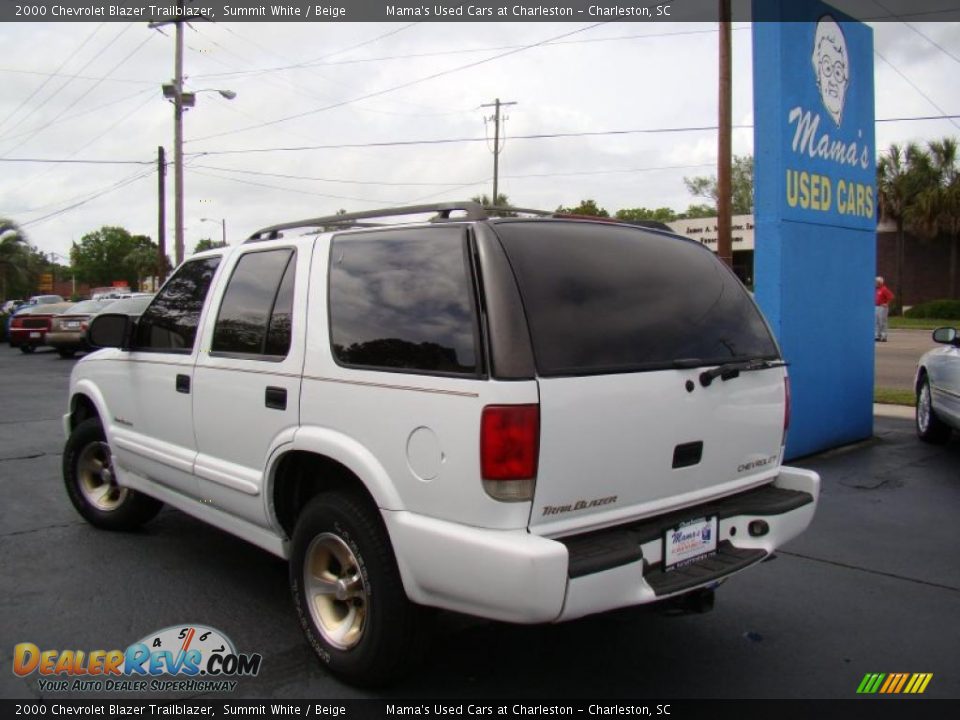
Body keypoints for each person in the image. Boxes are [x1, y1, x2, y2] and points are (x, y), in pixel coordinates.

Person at [875, 276, 894, 342]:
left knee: (882, 321)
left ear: (880, 282)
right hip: (876, 307)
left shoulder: (884, 289)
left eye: (876, 282)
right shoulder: (876, 289)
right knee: (876, 321)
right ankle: (877, 335)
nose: (875, 283)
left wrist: (887, 303)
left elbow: (891, 297)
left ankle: (884, 336)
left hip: (882, 307)